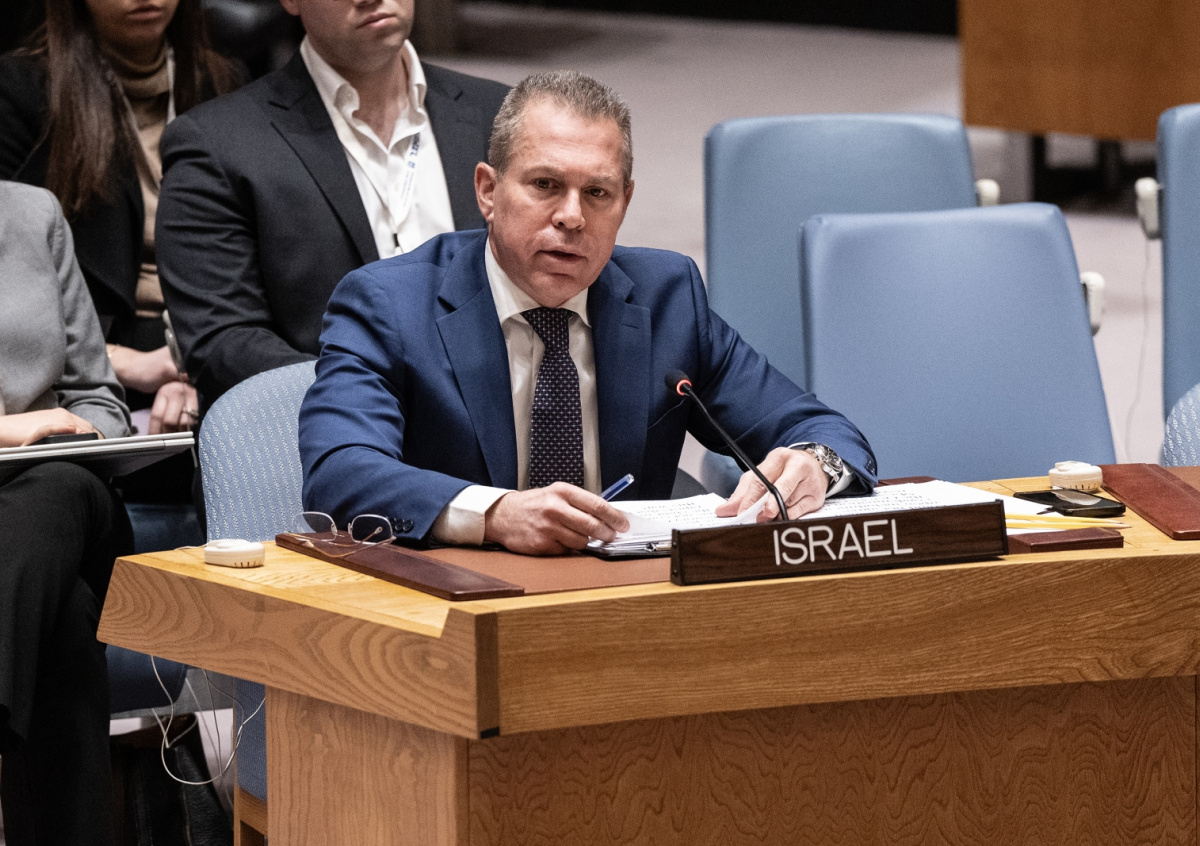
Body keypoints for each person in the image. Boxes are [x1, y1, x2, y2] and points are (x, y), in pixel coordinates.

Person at [299, 71, 878, 556]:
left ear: (625, 201)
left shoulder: (666, 296)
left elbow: (823, 430)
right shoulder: (389, 304)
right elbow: (340, 472)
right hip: (457, 603)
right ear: (488, 191)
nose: (572, 217)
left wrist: (815, 464)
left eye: (597, 193)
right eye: (545, 184)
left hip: (627, 604)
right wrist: (496, 514)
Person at [154, 0, 510, 406]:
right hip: (329, 428)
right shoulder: (217, 144)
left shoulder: (502, 115)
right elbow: (223, 343)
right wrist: (375, 397)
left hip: (507, 421)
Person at [0, 0, 239, 547]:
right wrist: (132, 367)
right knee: (61, 486)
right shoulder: (22, 90)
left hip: (200, 344)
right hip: (88, 356)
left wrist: (197, 370)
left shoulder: (223, 79)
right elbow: (16, 273)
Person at [0, 181, 134, 846]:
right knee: (67, 622)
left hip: (65, 496)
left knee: (54, 487)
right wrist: (8, 433)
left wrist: (74, 433)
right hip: (39, 564)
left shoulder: (32, 212)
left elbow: (98, 395)